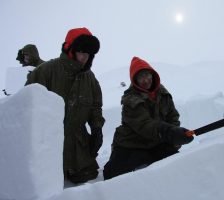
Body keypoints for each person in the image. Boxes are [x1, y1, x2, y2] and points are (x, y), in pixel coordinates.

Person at [25, 27, 105, 184]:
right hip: (49, 148)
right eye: (81, 51)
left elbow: (95, 106)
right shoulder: (46, 71)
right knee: (44, 185)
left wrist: (97, 129)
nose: (84, 57)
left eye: (88, 54)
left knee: (89, 181)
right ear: (70, 49)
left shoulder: (90, 78)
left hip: (79, 152)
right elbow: (28, 108)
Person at [103, 57, 194, 180]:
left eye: (147, 75)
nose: (146, 80)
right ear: (135, 80)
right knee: (113, 174)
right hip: (132, 143)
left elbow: (173, 116)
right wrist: (170, 132)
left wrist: (175, 138)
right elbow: (145, 125)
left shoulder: (162, 92)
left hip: (156, 141)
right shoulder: (130, 99)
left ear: (152, 74)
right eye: (141, 77)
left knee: (175, 164)